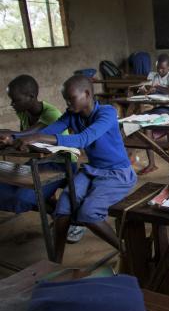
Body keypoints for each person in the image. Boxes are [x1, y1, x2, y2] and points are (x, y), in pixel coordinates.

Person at [12, 75, 137, 263]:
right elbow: (51, 129)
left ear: (87, 94)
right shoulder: (72, 115)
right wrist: (16, 138)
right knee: (62, 210)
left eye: (71, 99)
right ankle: (56, 261)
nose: (68, 104)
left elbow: (83, 139)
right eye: (66, 100)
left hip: (117, 173)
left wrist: (37, 137)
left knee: (88, 213)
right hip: (91, 170)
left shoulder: (107, 113)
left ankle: (125, 250)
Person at [0, 75, 85, 244]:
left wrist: (11, 137)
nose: (12, 104)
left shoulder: (51, 113)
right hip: (38, 161)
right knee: (9, 187)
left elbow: (31, 134)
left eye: (15, 100)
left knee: (22, 198)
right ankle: (57, 213)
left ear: (31, 97)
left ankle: (68, 219)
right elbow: (23, 138)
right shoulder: (23, 112)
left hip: (61, 163)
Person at [132, 53, 169, 175]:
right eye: (158, 68)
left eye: (163, 68)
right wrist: (146, 91)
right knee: (144, 123)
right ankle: (152, 164)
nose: (160, 71)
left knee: (150, 119)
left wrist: (158, 87)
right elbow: (152, 91)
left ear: (168, 68)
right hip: (161, 109)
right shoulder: (156, 76)